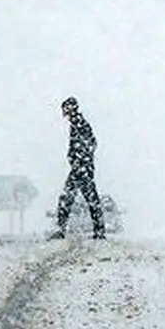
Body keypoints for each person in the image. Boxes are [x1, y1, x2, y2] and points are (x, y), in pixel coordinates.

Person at [51, 96, 106, 239]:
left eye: (65, 109)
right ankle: (98, 231)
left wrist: (81, 159)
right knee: (79, 199)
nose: (63, 113)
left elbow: (92, 143)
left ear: (71, 109)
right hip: (80, 168)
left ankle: (97, 232)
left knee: (71, 199)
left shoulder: (80, 124)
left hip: (81, 169)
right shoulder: (76, 124)